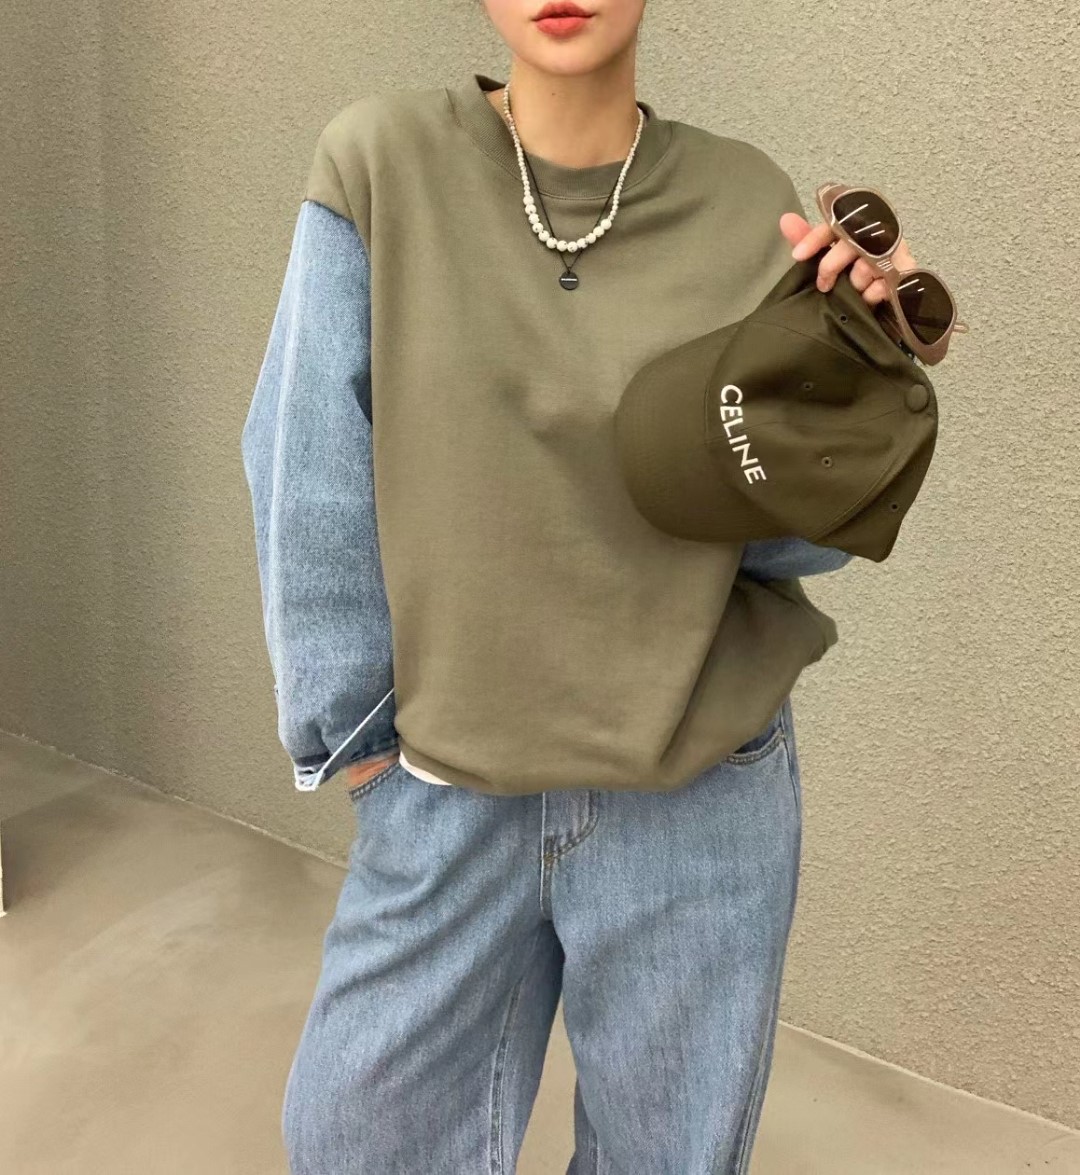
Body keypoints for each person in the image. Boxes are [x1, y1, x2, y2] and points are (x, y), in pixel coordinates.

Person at [240, 3, 927, 1171]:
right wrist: (358, 745)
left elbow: (779, 544)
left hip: (698, 793)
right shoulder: (382, 162)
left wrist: (867, 364)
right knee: (358, 1138)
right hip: (448, 782)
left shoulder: (743, 201)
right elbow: (304, 467)